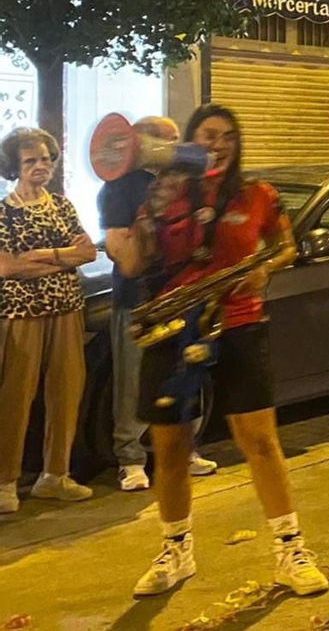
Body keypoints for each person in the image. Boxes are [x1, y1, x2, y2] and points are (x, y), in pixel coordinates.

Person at [127, 105, 324, 597]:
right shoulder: (162, 195)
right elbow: (138, 261)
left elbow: (286, 246)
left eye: (228, 137)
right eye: (208, 135)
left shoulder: (258, 193)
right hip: (174, 326)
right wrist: (134, 215)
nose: (218, 144)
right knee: (169, 448)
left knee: (259, 440)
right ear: (189, 141)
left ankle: (290, 549)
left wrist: (264, 270)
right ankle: (176, 551)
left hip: (239, 323)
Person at [100, 117, 217, 492]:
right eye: (166, 141)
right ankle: (130, 458)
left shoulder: (188, 184)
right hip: (138, 300)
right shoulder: (119, 188)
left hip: (183, 294)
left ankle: (187, 449)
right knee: (134, 380)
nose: (175, 148)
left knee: (187, 373)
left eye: (176, 140)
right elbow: (122, 252)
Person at [0, 128, 97, 515]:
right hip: (20, 315)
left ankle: (55, 475)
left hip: (67, 309)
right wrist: (63, 257)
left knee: (66, 390)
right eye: (31, 161)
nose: (41, 167)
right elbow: (7, 267)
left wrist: (42, 255)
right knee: (15, 397)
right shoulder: (3, 210)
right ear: (15, 167)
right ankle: (6, 481)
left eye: (46, 159)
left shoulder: (61, 205)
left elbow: (88, 251)